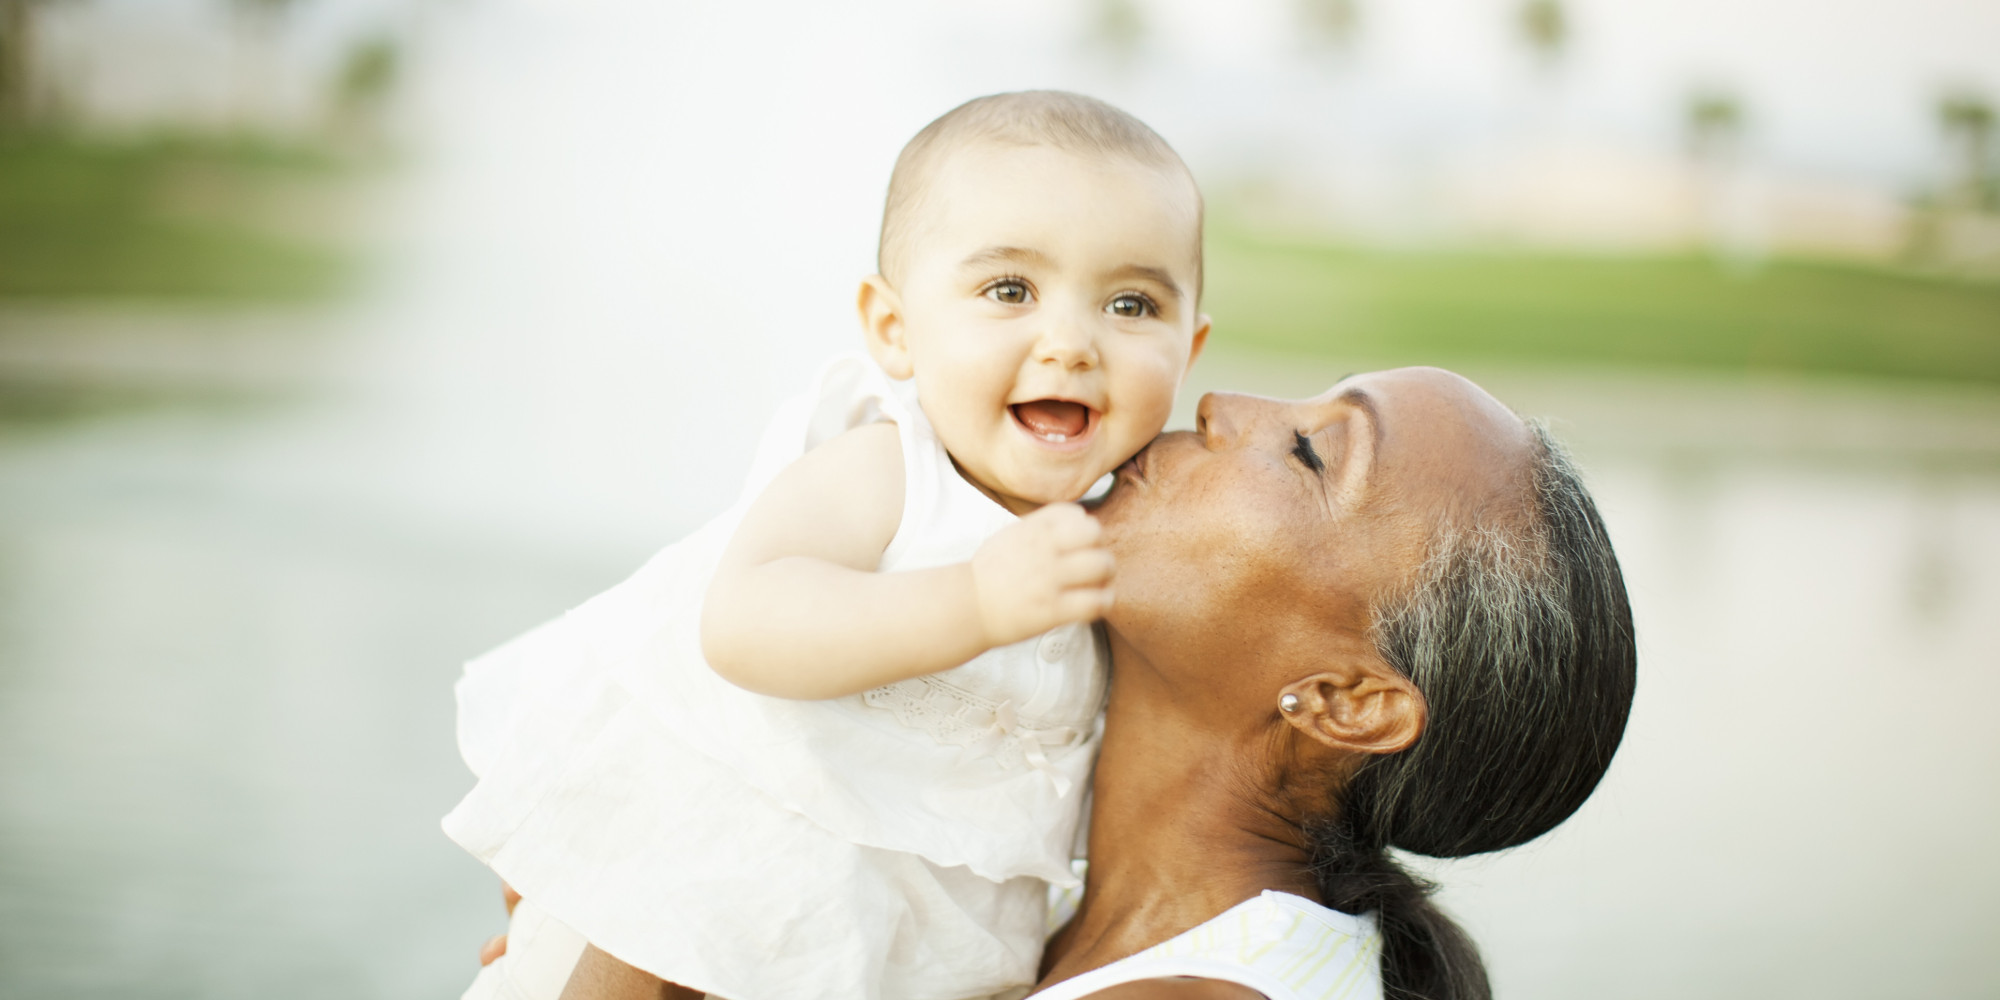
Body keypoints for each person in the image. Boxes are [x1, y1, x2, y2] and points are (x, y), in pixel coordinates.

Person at [444, 91, 1212, 1000]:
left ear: (1191, 347)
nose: (1072, 342)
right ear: (895, 330)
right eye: (1010, 290)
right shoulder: (888, 470)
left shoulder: (1115, 537)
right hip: (695, 893)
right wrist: (973, 602)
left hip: (903, 952)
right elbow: (743, 622)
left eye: (1131, 304)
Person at [540, 366, 1638, 1000]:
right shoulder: (1007, 896)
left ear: (1348, 701)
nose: (1223, 403)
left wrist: (635, 937)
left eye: (1308, 454)